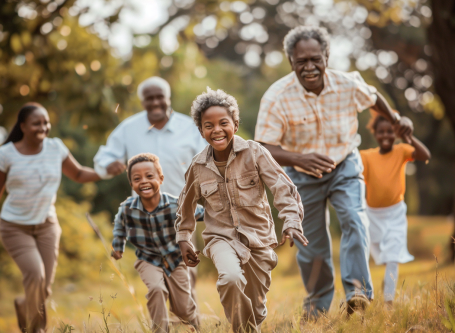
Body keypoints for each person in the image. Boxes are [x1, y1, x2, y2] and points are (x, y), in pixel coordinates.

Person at [254, 26, 415, 317]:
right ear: (291, 61)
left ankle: (357, 295)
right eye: (301, 61)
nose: (310, 67)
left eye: (316, 58)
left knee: (355, 219)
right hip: (301, 175)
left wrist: (395, 117)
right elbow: (263, 146)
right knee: (311, 245)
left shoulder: (347, 84)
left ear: (327, 56)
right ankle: (317, 304)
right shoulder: (276, 96)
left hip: (344, 163)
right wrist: (298, 159)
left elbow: (374, 97)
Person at [176, 88, 308, 333]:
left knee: (255, 311)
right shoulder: (198, 166)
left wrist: (291, 220)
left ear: (235, 125)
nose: (216, 130)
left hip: (258, 240)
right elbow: (186, 205)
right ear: (201, 130)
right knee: (231, 279)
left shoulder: (255, 153)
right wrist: (184, 238)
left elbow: (282, 187)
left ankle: (250, 325)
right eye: (208, 125)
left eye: (223, 123)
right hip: (220, 238)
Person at [0, 103, 101, 333]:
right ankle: (37, 330)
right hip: (15, 227)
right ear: (23, 126)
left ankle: (23, 304)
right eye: (37, 123)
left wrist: (106, 171)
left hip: (47, 226)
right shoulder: (6, 154)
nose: (44, 127)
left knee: (43, 288)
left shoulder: (56, 148)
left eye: (46, 122)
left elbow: (77, 173)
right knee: (35, 275)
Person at [94, 76, 206, 300]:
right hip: (146, 218)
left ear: (168, 98)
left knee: (186, 273)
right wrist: (109, 165)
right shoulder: (129, 128)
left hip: (182, 212)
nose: (155, 103)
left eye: (159, 98)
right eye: (149, 99)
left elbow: (210, 161)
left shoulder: (190, 128)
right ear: (142, 101)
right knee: (157, 278)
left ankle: (187, 322)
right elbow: (103, 156)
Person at [111, 153, 202, 332]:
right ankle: (160, 329)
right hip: (148, 260)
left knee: (183, 308)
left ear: (161, 179)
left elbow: (201, 212)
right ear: (132, 184)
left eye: (149, 176)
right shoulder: (127, 208)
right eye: (137, 178)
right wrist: (117, 247)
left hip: (176, 260)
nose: (143, 181)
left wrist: (222, 218)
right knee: (156, 289)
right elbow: (119, 227)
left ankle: (194, 325)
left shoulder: (176, 205)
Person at [360, 114, 430, 305]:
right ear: (375, 133)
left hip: (395, 214)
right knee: (364, 251)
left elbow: (425, 155)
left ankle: (388, 300)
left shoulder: (401, 150)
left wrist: (408, 136)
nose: (386, 136)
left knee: (393, 257)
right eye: (381, 131)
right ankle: (361, 294)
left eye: (390, 131)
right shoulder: (366, 156)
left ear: (396, 133)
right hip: (372, 215)